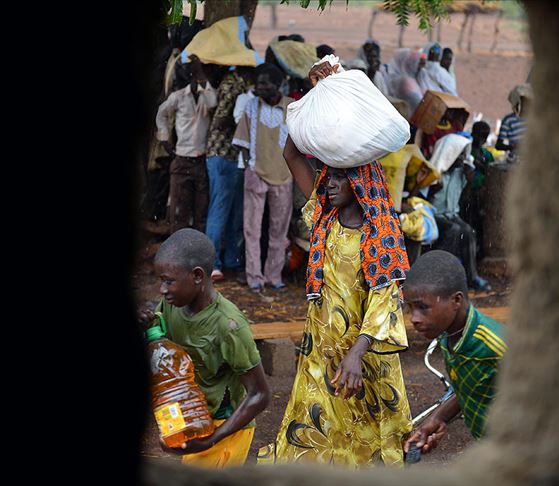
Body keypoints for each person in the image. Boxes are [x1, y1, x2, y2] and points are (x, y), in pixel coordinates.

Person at [257, 60, 413, 468]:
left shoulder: (381, 233)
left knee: (369, 440)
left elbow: (385, 303)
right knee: (312, 430)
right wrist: (318, 96)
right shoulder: (324, 218)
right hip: (322, 349)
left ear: (360, 183)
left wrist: (357, 354)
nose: (328, 183)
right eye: (328, 177)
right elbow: (291, 152)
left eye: (339, 178)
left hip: (364, 357)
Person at [139, 228, 270, 468]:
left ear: (198, 276)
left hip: (225, 428)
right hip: (193, 420)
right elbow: (159, 351)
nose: (162, 290)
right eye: (161, 281)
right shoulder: (172, 305)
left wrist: (211, 440)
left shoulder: (228, 325)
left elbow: (260, 395)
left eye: (169, 281)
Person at [401, 250, 506, 451]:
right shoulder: (447, 335)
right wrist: (438, 418)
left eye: (423, 307)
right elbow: (470, 386)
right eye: (410, 308)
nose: (414, 318)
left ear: (456, 301)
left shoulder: (496, 346)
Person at [232, 63, 294, 291]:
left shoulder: (292, 107)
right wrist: (250, 167)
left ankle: (273, 276)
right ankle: (254, 277)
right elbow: (242, 142)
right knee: (252, 229)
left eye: (265, 83)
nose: (259, 87)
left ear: (278, 84)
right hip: (256, 173)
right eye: (258, 83)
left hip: (284, 175)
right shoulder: (251, 106)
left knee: (278, 230)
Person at [155, 55, 218, 233]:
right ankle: (178, 245)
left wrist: (201, 77)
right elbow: (161, 114)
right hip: (182, 160)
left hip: (201, 161)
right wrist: (164, 138)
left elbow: (212, 102)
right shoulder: (178, 96)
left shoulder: (208, 94)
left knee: (200, 211)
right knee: (179, 211)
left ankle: (196, 246)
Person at [205, 66, 255, 281]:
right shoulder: (235, 85)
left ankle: (228, 261)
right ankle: (215, 263)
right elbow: (220, 120)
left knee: (230, 212)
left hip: (227, 155)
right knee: (222, 211)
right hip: (225, 154)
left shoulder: (231, 84)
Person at [426, 133, 491, 291]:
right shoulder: (435, 170)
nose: (462, 158)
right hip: (434, 214)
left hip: (451, 214)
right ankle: (438, 276)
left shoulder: (460, 172)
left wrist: (469, 179)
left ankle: (472, 277)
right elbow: (425, 196)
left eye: (463, 154)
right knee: (454, 230)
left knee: (468, 231)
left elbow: (465, 196)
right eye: (459, 154)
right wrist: (435, 186)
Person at [460, 121, 495, 259]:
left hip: (480, 194)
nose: (482, 139)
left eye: (484, 137)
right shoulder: (466, 150)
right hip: (466, 194)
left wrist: (482, 166)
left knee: (479, 223)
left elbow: (491, 174)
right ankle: (466, 253)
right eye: (480, 136)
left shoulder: (486, 155)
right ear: (473, 134)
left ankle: (477, 254)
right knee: (467, 221)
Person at [496, 83, 531, 164]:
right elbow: (498, 145)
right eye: (524, 102)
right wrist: (513, 147)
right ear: (516, 103)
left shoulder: (534, 120)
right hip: (514, 162)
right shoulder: (508, 120)